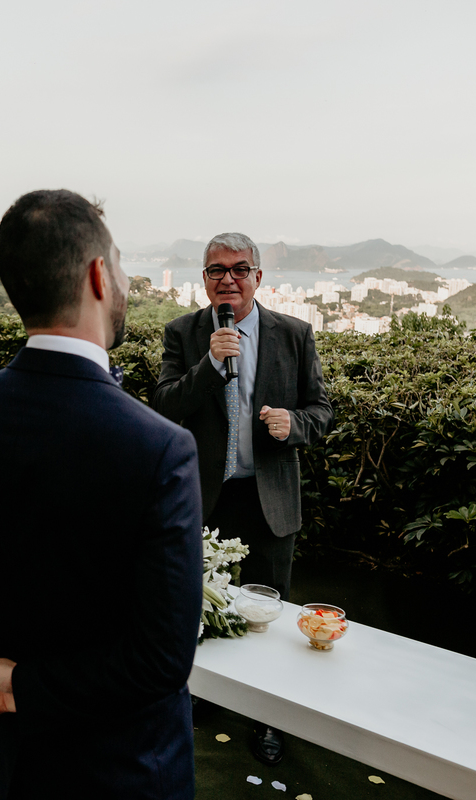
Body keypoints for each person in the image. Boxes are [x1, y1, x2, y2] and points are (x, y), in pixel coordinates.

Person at [0, 190, 204, 799]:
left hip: (18, 753)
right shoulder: (161, 446)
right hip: (128, 763)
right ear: (99, 275)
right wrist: (22, 685)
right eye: (123, 265)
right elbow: (162, 661)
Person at [151, 232, 335, 767]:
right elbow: (162, 407)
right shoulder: (183, 334)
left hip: (269, 498)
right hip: (204, 499)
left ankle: (269, 719)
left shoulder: (295, 333)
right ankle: (206, 697)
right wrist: (208, 366)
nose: (227, 279)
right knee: (203, 609)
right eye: (215, 271)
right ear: (203, 279)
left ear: (258, 276)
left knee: (269, 612)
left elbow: (322, 410)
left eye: (238, 268)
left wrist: (293, 423)